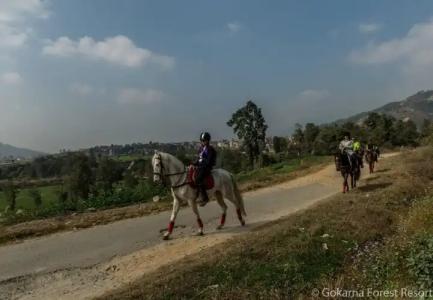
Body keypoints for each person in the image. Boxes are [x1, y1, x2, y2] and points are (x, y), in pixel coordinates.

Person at [194, 132, 217, 206]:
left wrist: (201, 163)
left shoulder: (210, 149)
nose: (203, 142)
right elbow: (199, 159)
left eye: (204, 140)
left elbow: (209, 161)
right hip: (201, 166)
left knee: (198, 178)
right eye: (202, 140)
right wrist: (194, 163)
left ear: (208, 140)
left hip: (207, 167)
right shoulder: (201, 149)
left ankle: (205, 198)